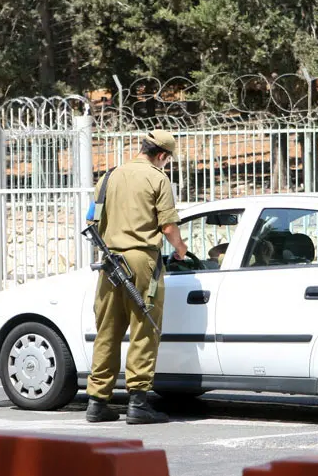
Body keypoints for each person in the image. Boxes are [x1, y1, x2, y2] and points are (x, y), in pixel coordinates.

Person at [85, 130, 188, 425]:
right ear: (162, 156)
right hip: (142, 261)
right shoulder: (158, 179)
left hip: (109, 262)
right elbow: (168, 227)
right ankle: (138, 402)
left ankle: (97, 401)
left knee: (107, 331)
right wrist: (180, 249)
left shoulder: (108, 177)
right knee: (144, 326)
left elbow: (92, 220)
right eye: (166, 160)